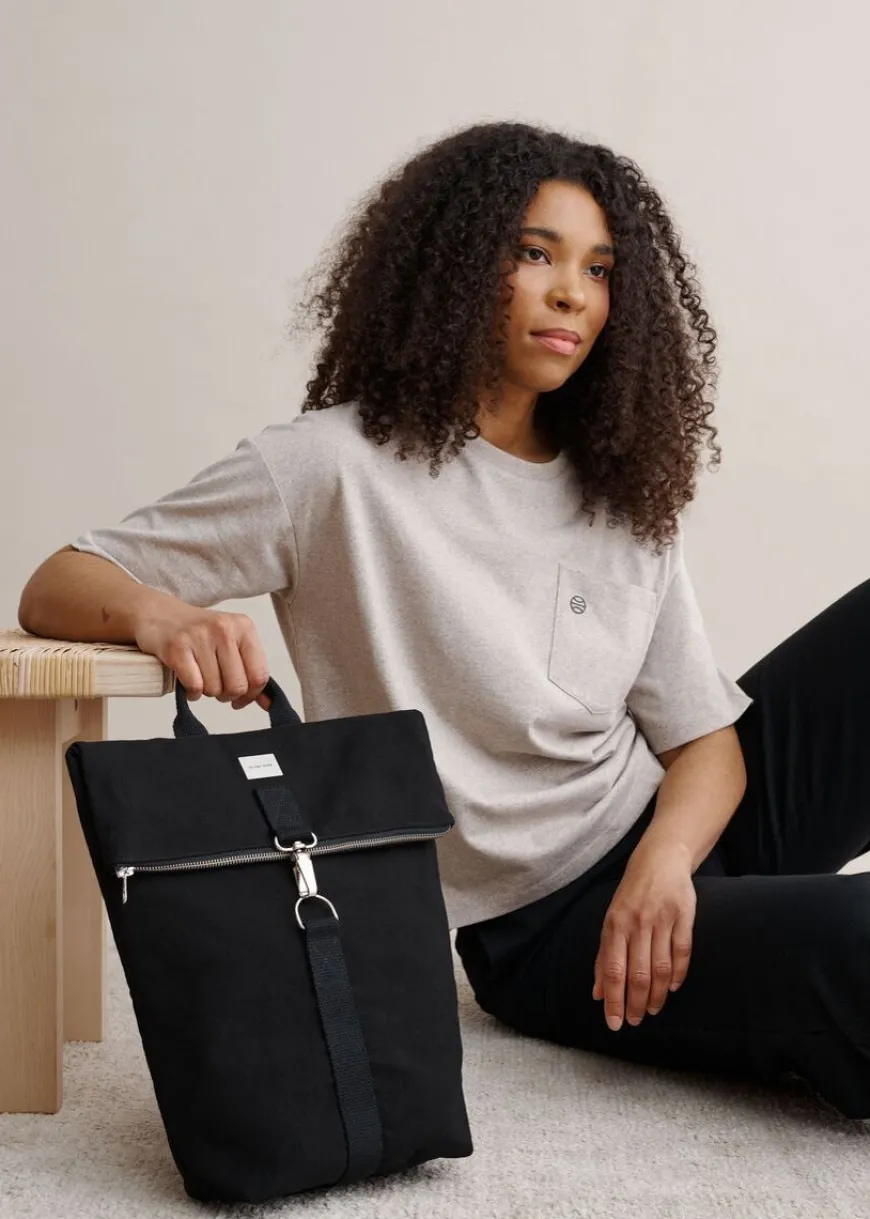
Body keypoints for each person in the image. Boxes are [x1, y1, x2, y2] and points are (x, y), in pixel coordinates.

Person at [19, 120, 870, 1119]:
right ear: (456, 266)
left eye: (599, 269)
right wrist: (162, 616)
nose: (572, 293)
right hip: (554, 925)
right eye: (536, 254)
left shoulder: (618, 487)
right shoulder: (330, 470)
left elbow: (708, 745)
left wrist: (664, 862)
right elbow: (59, 579)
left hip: (676, 836)